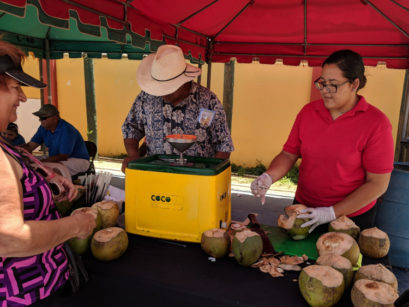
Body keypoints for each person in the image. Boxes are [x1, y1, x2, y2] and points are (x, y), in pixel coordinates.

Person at [251, 49, 394, 232]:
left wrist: (331, 213)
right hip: (303, 209)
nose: (325, 91)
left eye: (333, 85)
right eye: (322, 83)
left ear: (354, 84)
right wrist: (269, 176)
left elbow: (377, 183)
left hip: (349, 218)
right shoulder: (309, 112)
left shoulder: (376, 123)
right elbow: (288, 154)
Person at [0, 40, 96, 305]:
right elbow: (10, 240)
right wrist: (77, 226)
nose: (22, 97)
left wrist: (45, 181)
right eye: (17, 88)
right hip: (22, 294)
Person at [121, 44, 234, 172]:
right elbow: (131, 128)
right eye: (159, 88)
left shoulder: (208, 101)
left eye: (168, 88)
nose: (163, 94)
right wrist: (133, 155)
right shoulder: (146, 98)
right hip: (155, 175)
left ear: (184, 80)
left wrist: (211, 175)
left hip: (196, 180)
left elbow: (223, 145)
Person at [24, 104, 90, 177]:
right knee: (27, 161)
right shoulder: (43, 128)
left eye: (43, 118)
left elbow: (63, 156)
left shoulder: (67, 130)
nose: (41, 121)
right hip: (58, 159)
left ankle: (59, 187)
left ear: (55, 118)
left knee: (51, 169)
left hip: (78, 160)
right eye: (40, 118)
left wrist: (40, 163)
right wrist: (16, 150)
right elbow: (30, 146)